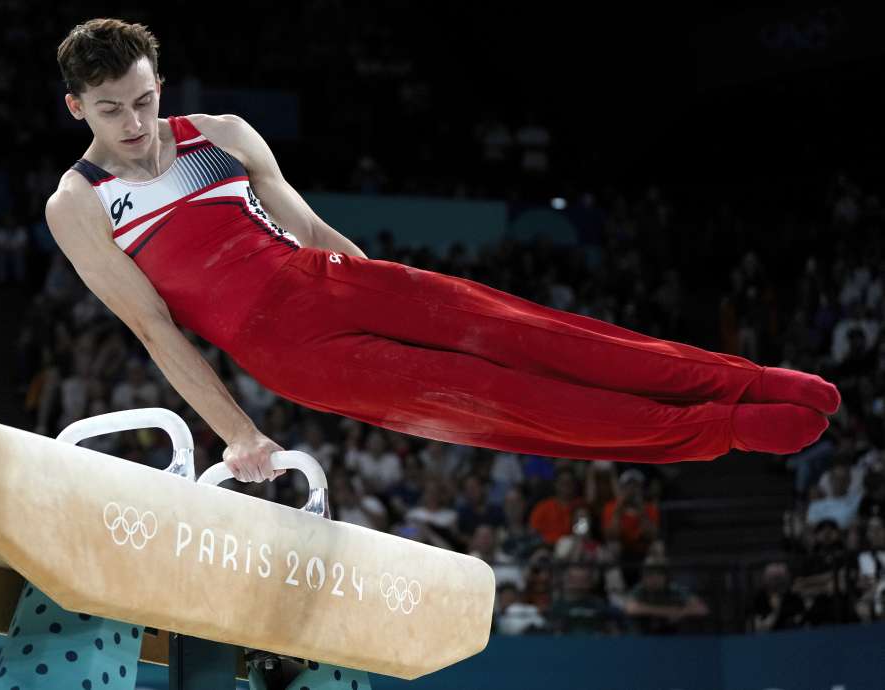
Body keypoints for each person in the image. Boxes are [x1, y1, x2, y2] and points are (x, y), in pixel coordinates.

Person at [44, 18, 840, 486]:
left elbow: (314, 233)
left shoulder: (217, 135)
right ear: (79, 107)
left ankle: (749, 380)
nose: (137, 125)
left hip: (332, 280)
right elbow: (155, 330)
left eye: (146, 101)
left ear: (161, 84)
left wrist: (383, 283)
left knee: (537, 333)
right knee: (507, 401)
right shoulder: (78, 206)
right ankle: (723, 427)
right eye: (112, 111)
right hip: (292, 353)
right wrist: (239, 434)